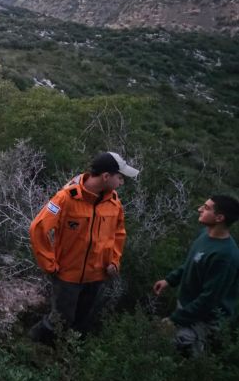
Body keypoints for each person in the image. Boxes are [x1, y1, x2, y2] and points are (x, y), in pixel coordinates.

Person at [29, 151, 139, 343]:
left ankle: (66, 359)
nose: (121, 182)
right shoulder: (66, 198)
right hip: (68, 276)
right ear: (106, 176)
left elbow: (119, 233)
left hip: (97, 276)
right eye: (120, 177)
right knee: (60, 321)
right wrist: (49, 264)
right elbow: (38, 228)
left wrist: (114, 260)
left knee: (82, 322)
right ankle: (32, 344)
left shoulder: (114, 203)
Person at [153, 195, 239, 356]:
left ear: (219, 218)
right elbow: (192, 263)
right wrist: (170, 280)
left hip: (204, 319)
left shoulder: (225, 256)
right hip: (188, 308)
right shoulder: (205, 234)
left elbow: (209, 300)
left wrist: (175, 319)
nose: (199, 209)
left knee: (181, 354)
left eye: (206, 208)